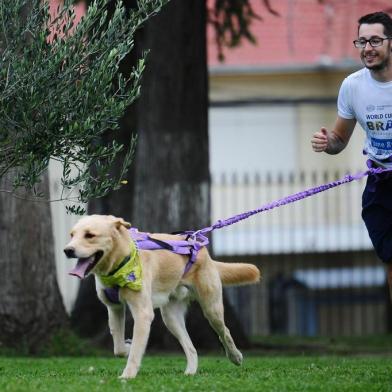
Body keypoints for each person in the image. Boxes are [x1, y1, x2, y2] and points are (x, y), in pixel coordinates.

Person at [311, 11, 392, 300]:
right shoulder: (353, 86)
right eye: (362, 41)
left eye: (375, 40)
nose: (368, 48)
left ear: (390, 42)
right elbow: (339, 139)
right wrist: (327, 141)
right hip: (380, 186)